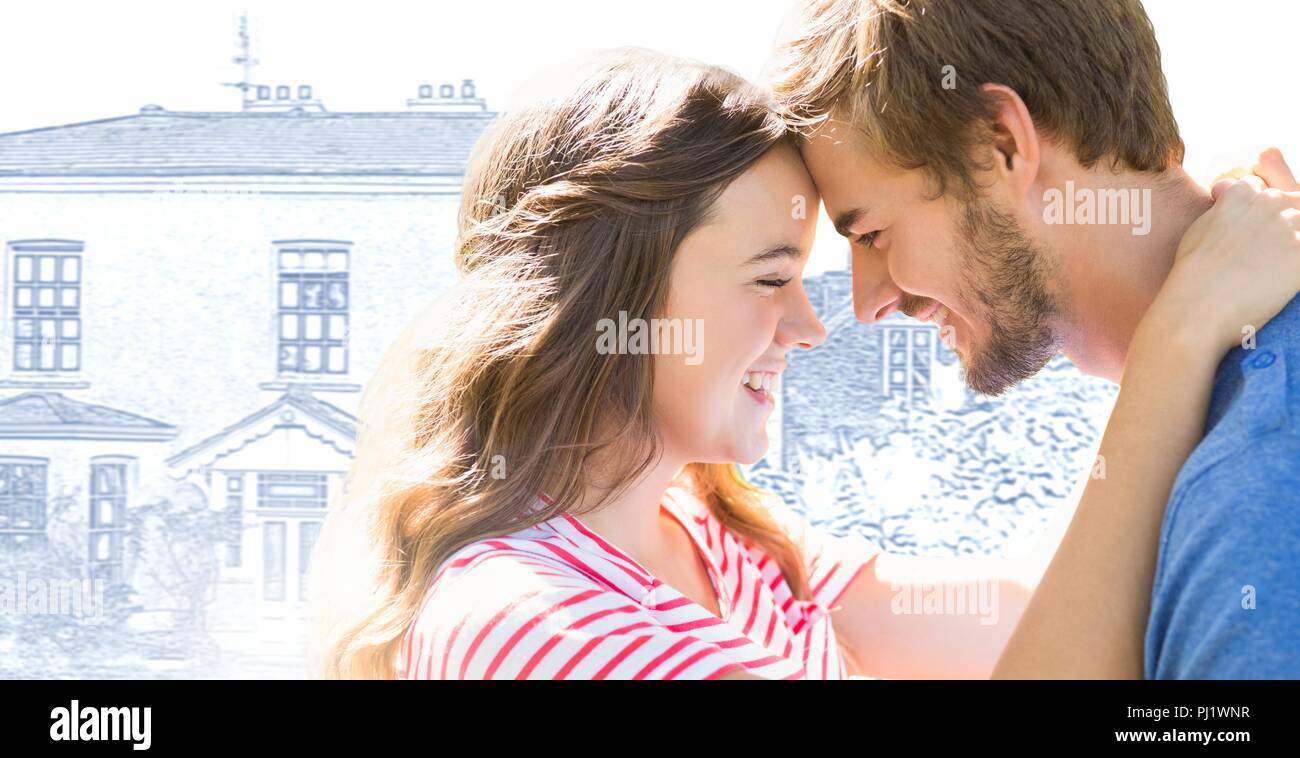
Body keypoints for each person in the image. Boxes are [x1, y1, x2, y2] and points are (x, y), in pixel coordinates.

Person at [307, 47, 1300, 680]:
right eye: (768, 277)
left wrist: (1186, 261)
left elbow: (1051, 629)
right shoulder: (522, 624)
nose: (814, 324)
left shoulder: (727, 551)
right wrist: (1176, 340)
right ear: (612, 301)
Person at [768, 0, 1300, 677]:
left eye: (871, 234)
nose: (867, 304)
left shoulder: (1257, 486)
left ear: (1001, 145)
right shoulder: (1209, 416)